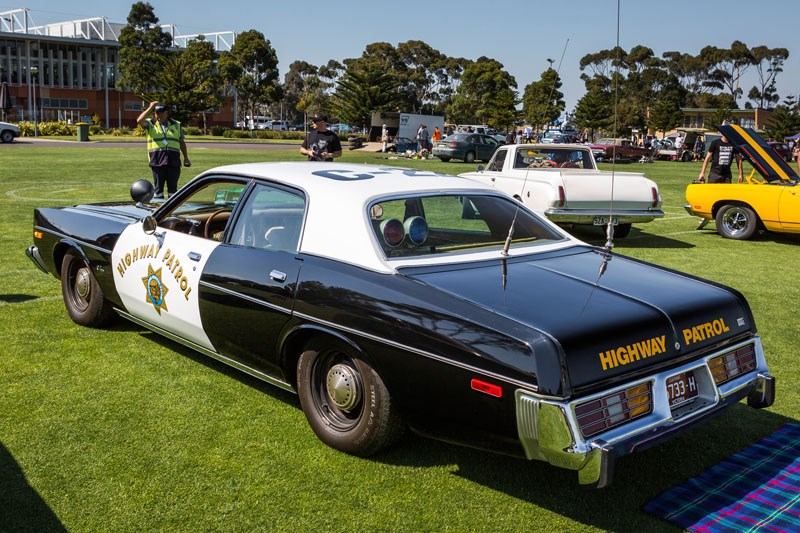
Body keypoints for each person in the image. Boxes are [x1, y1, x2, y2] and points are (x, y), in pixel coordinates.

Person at [137, 101, 191, 199]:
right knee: (158, 192)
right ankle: (159, 212)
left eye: (162, 112)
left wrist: (186, 158)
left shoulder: (176, 124)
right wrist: (150, 107)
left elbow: (181, 142)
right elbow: (139, 120)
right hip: (157, 161)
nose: (159, 115)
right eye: (157, 112)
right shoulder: (150, 124)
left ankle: (172, 211)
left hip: (173, 161)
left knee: (173, 192)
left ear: (167, 113)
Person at [696, 131, 743, 229]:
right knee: (710, 195)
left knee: (727, 198)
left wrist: (740, 174)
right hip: (715, 173)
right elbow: (707, 158)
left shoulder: (733, 144)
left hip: (726, 175)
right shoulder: (715, 143)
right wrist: (702, 173)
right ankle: (704, 216)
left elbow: (739, 159)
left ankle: (724, 218)